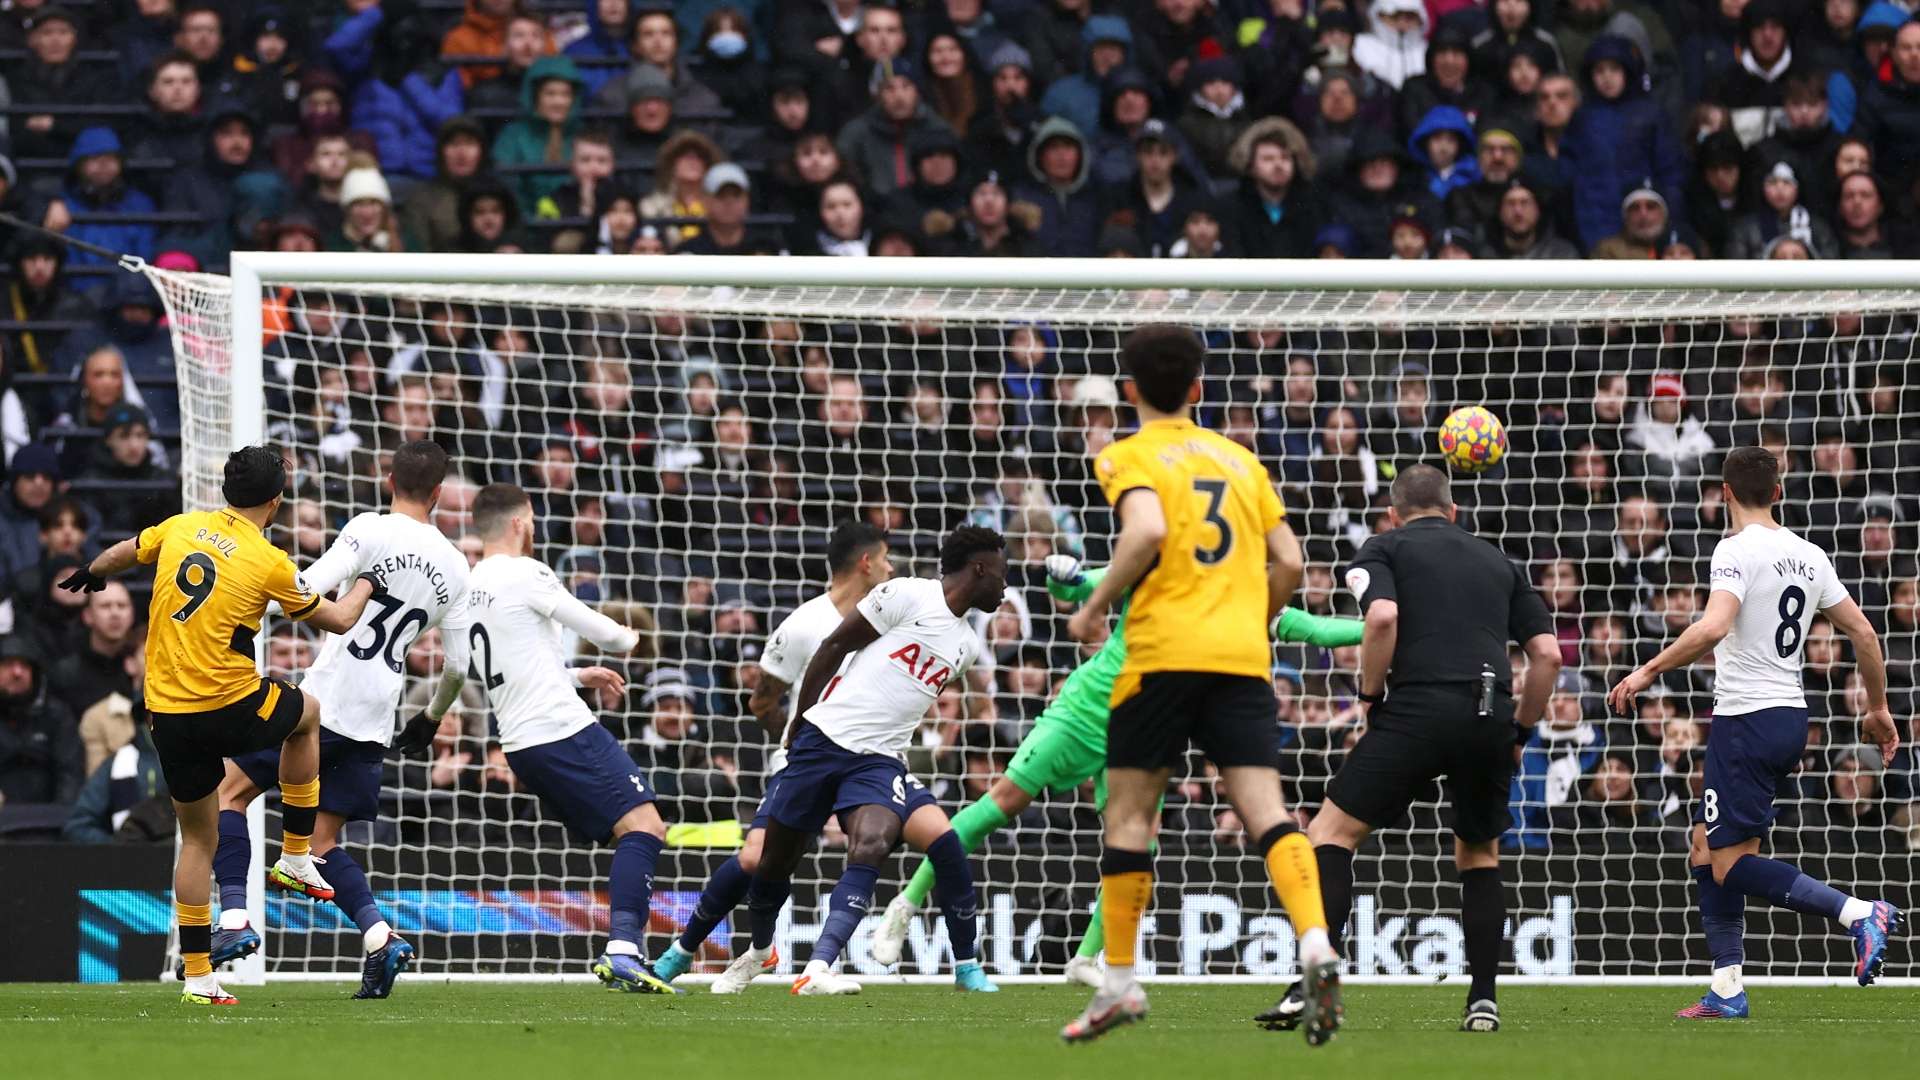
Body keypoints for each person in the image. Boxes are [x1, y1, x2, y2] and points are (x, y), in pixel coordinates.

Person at [871, 553, 1364, 986]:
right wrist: (1059, 575)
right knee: (1003, 803)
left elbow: (1318, 630)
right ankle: (906, 904)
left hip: (1142, 730)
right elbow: (1077, 587)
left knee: (1140, 842)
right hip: (1084, 712)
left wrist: (1384, 625)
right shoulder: (1152, 568)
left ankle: (1087, 958)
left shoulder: (1240, 603)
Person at [1060, 325, 1337, 1045]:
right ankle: (1314, 944)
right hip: (1240, 661)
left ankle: (1117, 983)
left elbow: (1147, 530)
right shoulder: (1240, 460)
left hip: (1158, 658)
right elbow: (1291, 560)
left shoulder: (1127, 455)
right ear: (1199, 389)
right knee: (1270, 816)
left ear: (1128, 391)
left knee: (1127, 820)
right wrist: (1259, 615)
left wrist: (1093, 605)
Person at [56, 446, 384, 1005]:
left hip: (166, 716)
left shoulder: (180, 528)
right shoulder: (269, 561)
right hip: (228, 704)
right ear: (276, 501)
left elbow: (123, 552)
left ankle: (200, 977)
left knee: (199, 840)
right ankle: (299, 855)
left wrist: (91, 572)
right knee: (306, 715)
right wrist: (367, 584)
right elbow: (339, 619)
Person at [1606, 446, 1903, 1018]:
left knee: (1731, 864)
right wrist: (1879, 708)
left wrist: (1646, 670)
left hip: (1745, 721)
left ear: (1724, 492)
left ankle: (1858, 914)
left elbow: (1714, 626)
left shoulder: (1734, 550)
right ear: (1779, 494)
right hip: (1790, 718)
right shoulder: (1809, 554)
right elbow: (1865, 635)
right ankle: (1726, 988)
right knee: (1704, 844)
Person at [1275, 463, 1560, 1034]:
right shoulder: (1501, 561)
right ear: (1454, 512)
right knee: (1478, 855)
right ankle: (1483, 1001)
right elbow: (1548, 655)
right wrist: (1519, 732)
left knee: (1330, 835)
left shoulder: (1382, 549)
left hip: (1417, 707)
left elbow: (1381, 617)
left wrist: (1370, 696)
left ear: (1392, 513)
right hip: (1488, 710)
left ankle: (1316, 985)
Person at [204, 442, 471, 1000]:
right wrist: (431, 716)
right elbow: (459, 663)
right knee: (318, 847)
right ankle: (380, 939)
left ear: (388, 477)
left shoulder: (370, 529)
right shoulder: (454, 563)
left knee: (228, 794)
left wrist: (237, 602)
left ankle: (232, 921)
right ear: (441, 494)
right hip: (377, 718)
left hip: (322, 707)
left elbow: (306, 586)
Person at [734, 526, 1009, 995]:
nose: (1006, 588)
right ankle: (755, 951)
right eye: (1003, 574)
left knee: (874, 843)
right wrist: (801, 721)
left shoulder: (964, 647)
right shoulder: (906, 595)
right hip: (825, 739)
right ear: (980, 569)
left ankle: (819, 968)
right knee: (772, 863)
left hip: (879, 760)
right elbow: (833, 647)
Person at [416, 482, 667, 993]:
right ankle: (623, 949)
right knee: (646, 827)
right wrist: (635, 637)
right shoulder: (527, 572)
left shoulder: (466, 586)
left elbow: (477, 669)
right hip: (561, 729)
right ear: (518, 522)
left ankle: (624, 947)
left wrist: (577, 676)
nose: (532, 526)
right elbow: (612, 634)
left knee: (631, 831)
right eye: (530, 518)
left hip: (522, 745)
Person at [649, 521, 894, 989]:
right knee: (755, 858)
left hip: (867, 762)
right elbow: (761, 701)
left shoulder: (892, 622)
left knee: (918, 838)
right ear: (866, 562)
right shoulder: (803, 625)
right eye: (885, 558)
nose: (891, 566)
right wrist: (799, 740)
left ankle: (960, 960)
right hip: (805, 762)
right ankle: (692, 949)